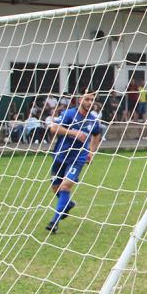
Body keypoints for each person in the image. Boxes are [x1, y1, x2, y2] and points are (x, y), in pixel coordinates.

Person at [44, 91, 104, 233]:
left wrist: (91, 152)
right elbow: (53, 128)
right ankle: (67, 204)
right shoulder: (69, 114)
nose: (90, 102)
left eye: (92, 100)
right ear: (80, 100)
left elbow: (96, 135)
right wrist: (73, 133)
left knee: (65, 187)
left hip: (78, 158)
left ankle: (54, 222)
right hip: (60, 156)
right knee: (56, 188)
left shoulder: (92, 120)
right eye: (87, 99)